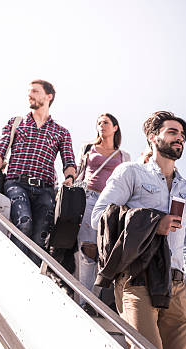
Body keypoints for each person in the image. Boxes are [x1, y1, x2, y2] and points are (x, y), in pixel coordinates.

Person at [91, 111, 186, 349]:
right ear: (153, 138)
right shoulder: (131, 173)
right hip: (138, 280)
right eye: (172, 132)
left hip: (177, 285)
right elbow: (98, 217)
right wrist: (155, 222)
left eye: (182, 134)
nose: (179, 138)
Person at [0, 80, 76, 265]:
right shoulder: (17, 123)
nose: (30, 95)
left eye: (35, 91)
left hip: (46, 190)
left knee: (40, 238)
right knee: (24, 223)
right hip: (16, 183)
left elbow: (69, 162)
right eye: (29, 92)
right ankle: (14, 268)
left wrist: (70, 178)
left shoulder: (61, 132)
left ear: (48, 96)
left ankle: (32, 277)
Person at [75, 113, 130, 315]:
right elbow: (80, 173)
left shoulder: (124, 156)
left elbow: (126, 184)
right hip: (88, 198)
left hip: (111, 204)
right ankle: (83, 301)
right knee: (86, 250)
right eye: (98, 123)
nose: (101, 126)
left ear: (115, 127)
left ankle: (93, 301)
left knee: (104, 252)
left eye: (105, 122)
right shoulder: (88, 149)